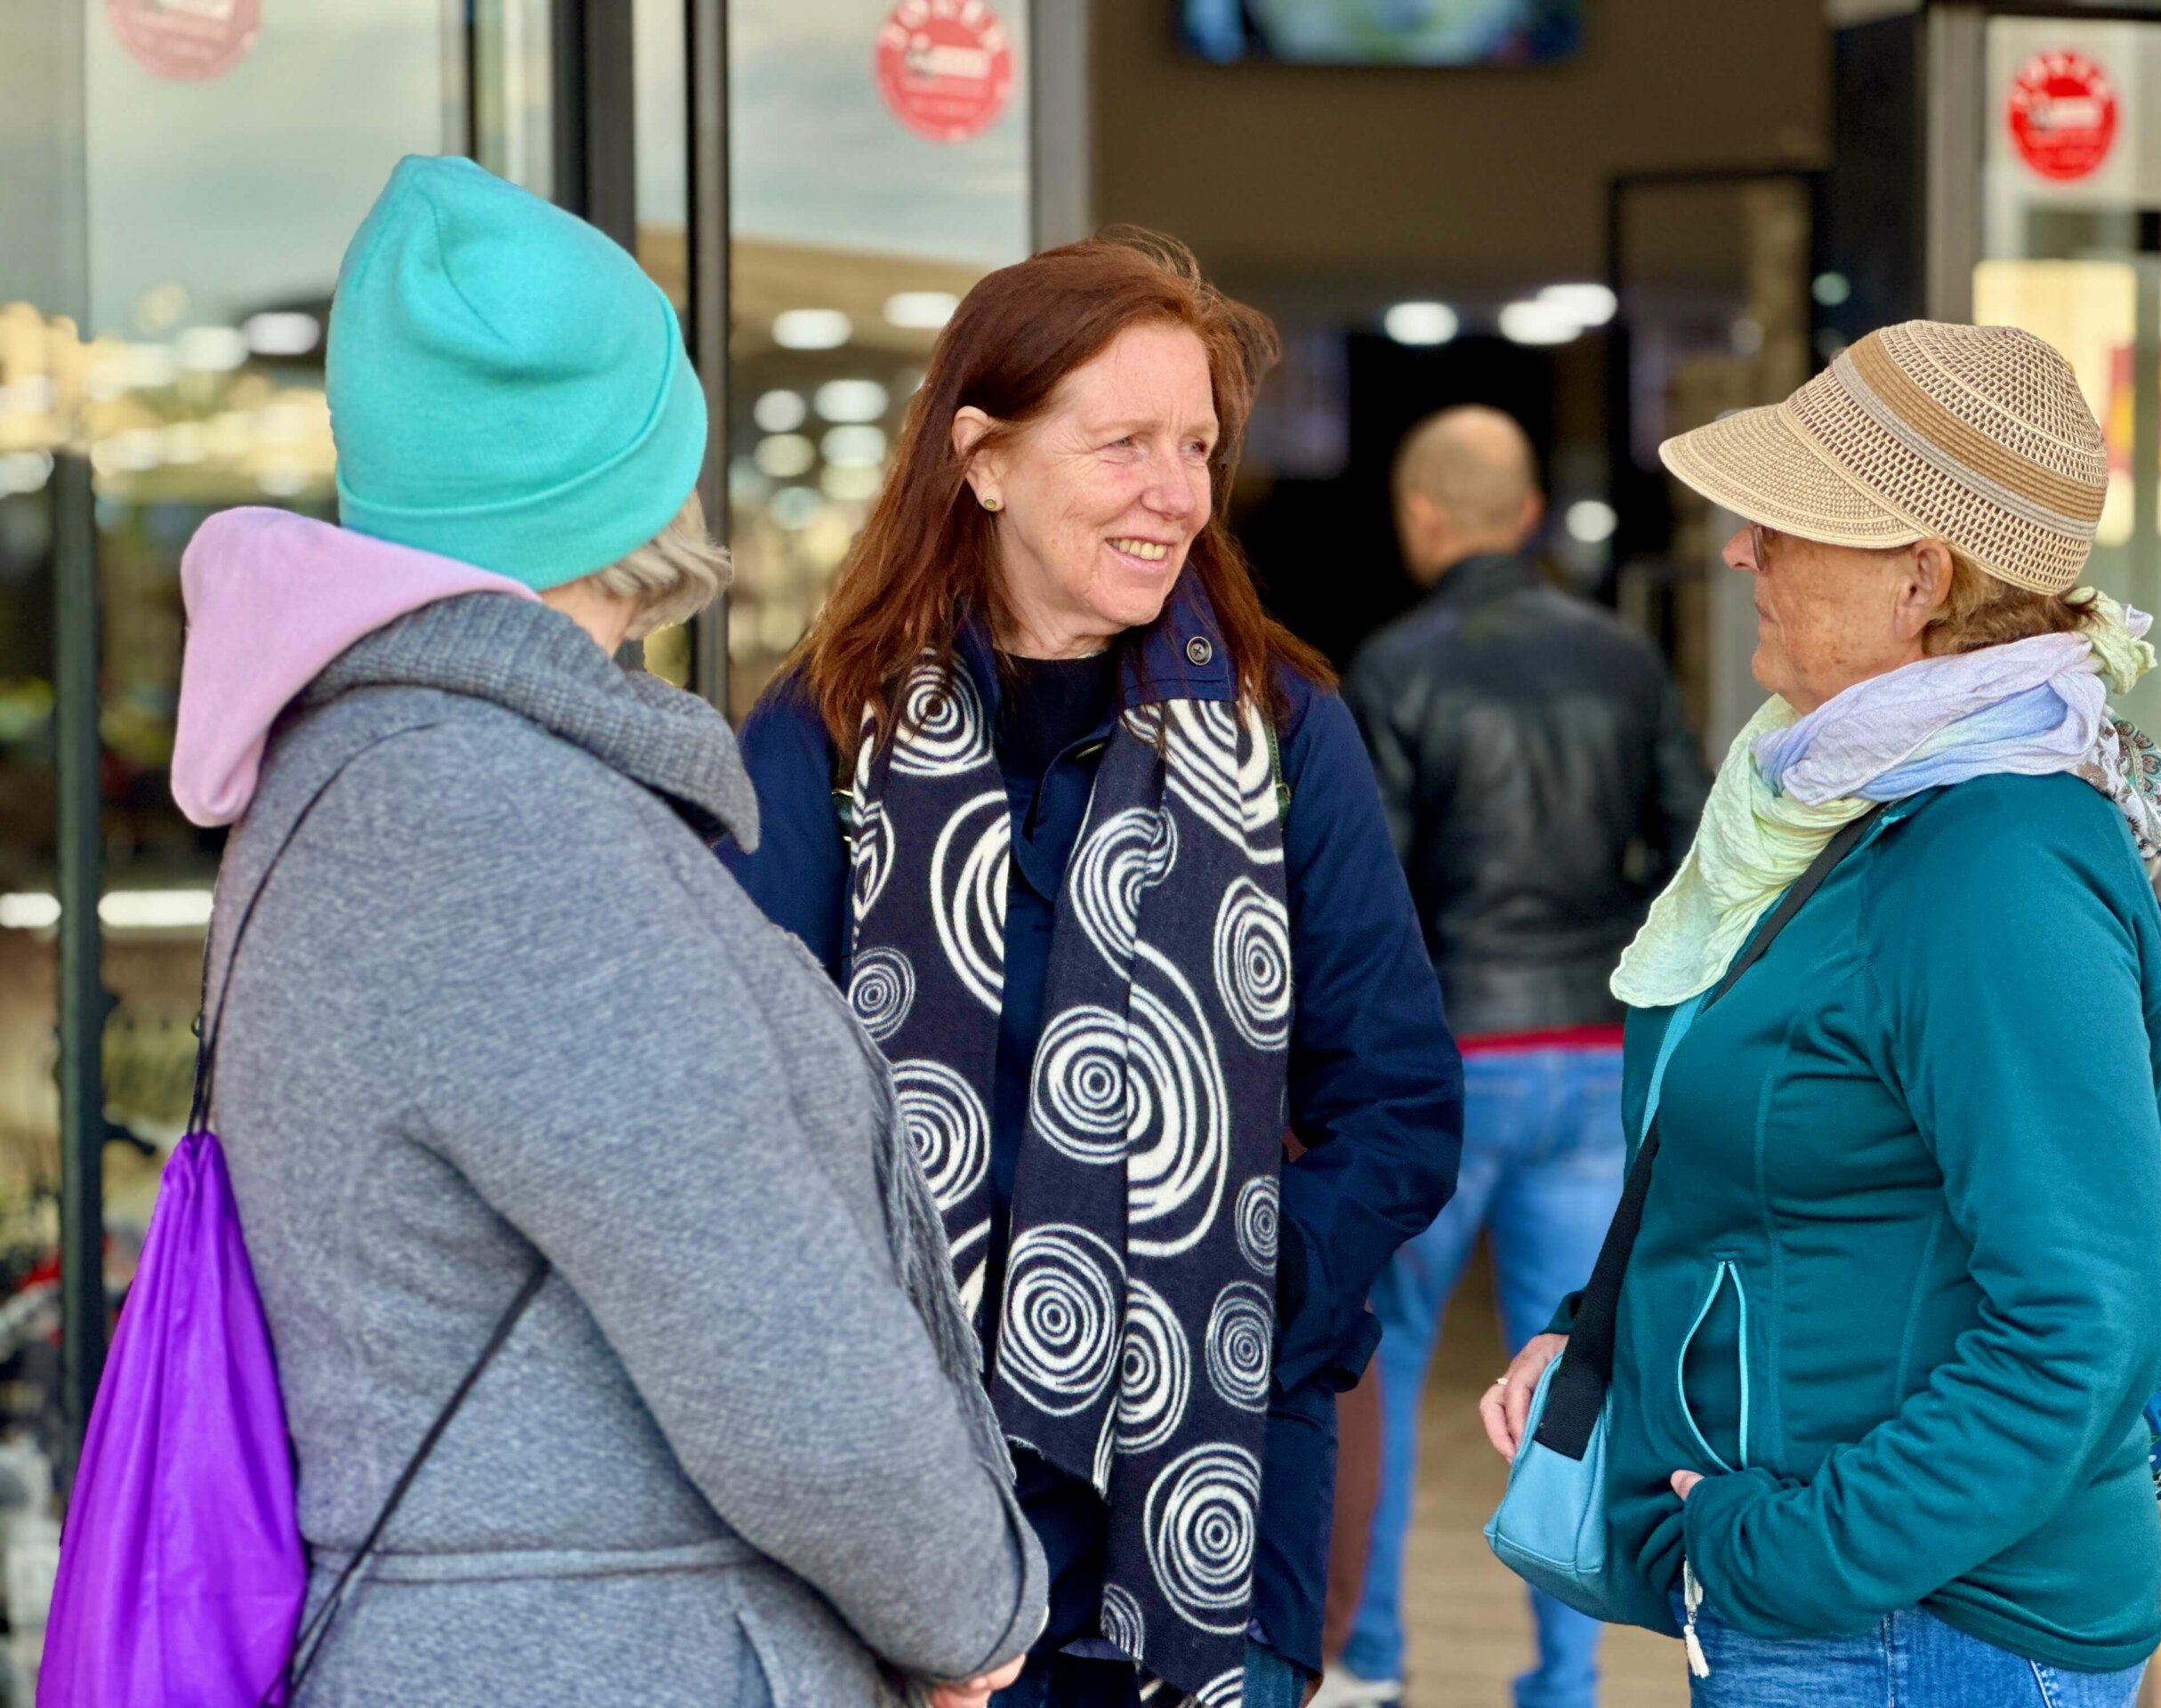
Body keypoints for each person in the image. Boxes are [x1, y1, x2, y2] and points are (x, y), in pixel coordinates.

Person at [181, 157, 1043, 1708]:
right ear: (639, 480)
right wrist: (972, 1607)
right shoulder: (500, 827)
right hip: (595, 1655)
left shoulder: (377, 769)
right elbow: (783, 1356)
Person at [724, 230, 1464, 1707]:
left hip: (1214, 1498)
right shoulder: (824, 733)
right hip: (904, 1504)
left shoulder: (1286, 731)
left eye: (1196, 447)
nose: (1176, 494)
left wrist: (1242, 1310)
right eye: (1124, 443)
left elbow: (1398, 1106)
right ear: (984, 459)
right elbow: (743, 1116)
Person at [1480, 321, 2161, 1707]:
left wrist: (1785, 1556)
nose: (1740, 549)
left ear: (1922, 579)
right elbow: (1779, 1155)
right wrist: (1602, 1327)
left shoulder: (1995, 868)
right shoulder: (1846, 812)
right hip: (1860, 1613)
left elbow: (2084, 1324)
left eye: (1789, 524)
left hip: (1924, 1630)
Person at [1329, 407, 1709, 1708]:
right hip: (1596, 1055)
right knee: (1573, 1383)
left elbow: (1363, 897)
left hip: (1454, 1059)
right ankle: (1566, 1676)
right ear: (1532, 511)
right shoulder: (1624, 662)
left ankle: (1371, 1660)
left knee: (1374, 1363)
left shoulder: (1393, 666)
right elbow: (1689, 853)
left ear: (1421, 519)